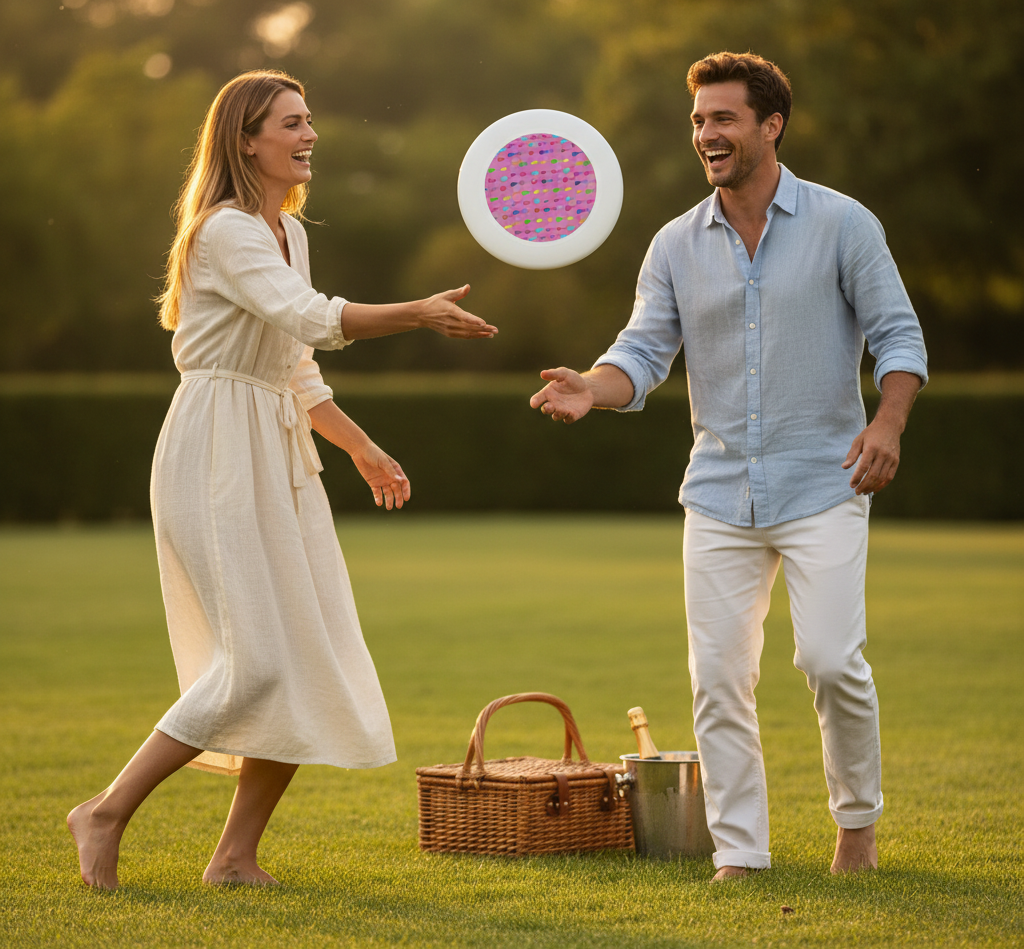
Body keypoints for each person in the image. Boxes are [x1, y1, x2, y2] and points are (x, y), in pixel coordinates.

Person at [67, 69, 497, 890]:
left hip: (275, 452)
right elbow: (311, 320)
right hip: (214, 449)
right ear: (245, 140)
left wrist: (360, 446)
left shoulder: (290, 234)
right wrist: (416, 312)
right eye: (291, 124)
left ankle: (233, 857)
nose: (309, 136)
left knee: (304, 651)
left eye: (310, 122)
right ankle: (106, 811)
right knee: (258, 661)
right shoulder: (224, 231)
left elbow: (295, 367)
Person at [529, 52, 927, 880]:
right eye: (699, 122)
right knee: (717, 680)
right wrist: (590, 390)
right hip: (716, 493)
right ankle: (741, 852)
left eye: (723, 119)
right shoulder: (675, 242)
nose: (706, 135)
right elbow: (641, 350)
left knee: (828, 661)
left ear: (769, 125)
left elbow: (898, 335)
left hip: (826, 480)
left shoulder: (843, 223)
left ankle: (856, 824)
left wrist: (887, 423)